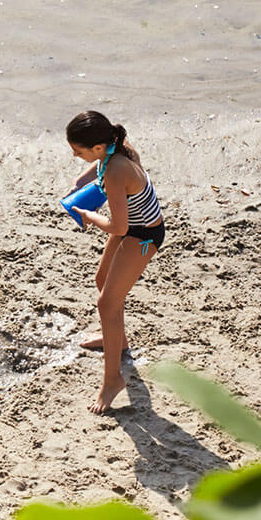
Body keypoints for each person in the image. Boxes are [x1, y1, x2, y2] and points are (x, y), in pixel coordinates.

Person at [66, 111, 166, 414]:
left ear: (98, 147)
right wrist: (80, 180)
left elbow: (118, 228)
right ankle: (118, 341)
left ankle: (112, 380)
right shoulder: (117, 147)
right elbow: (100, 166)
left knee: (107, 303)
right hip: (134, 226)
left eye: (78, 150)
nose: (73, 154)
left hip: (144, 234)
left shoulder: (116, 172)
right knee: (102, 281)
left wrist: (88, 216)